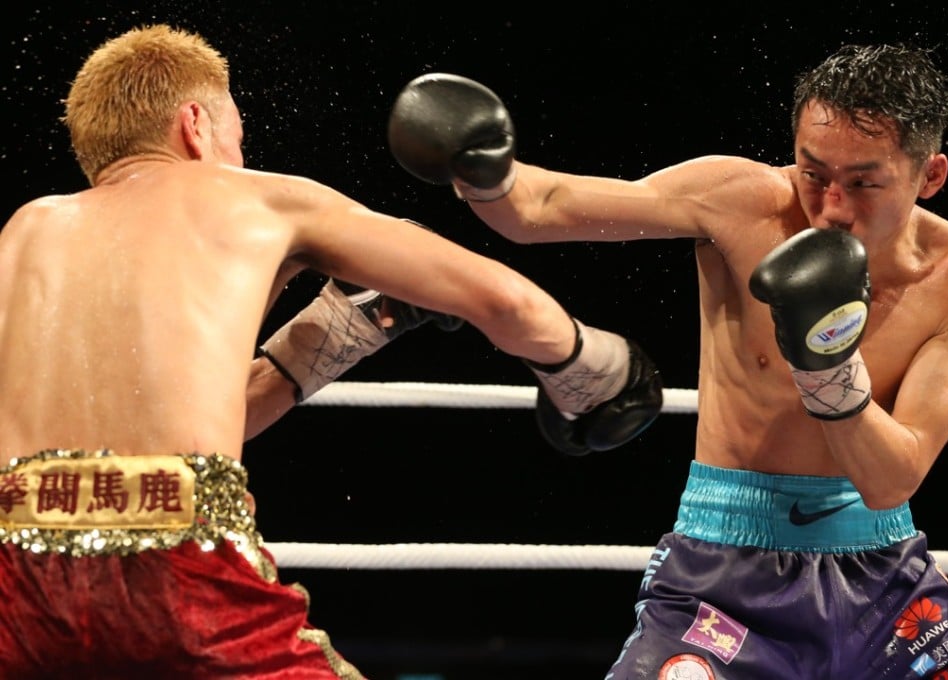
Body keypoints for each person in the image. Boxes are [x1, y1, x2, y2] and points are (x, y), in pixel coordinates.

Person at [0, 24, 664, 679]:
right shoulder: (256, 199)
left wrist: (339, 333)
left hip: (18, 569)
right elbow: (507, 304)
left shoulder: (25, 232)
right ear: (195, 124)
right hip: (185, 567)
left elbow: (168, 442)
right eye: (238, 135)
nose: (239, 153)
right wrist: (594, 367)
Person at [387, 43, 948, 678]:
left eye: (863, 182)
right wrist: (484, 170)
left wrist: (825, 366)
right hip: (723, 578)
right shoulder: (738, 200)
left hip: (887, 594)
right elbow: (540, 208)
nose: (829, 206)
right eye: (813, 172)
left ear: (929, 176)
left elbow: (890, 481)